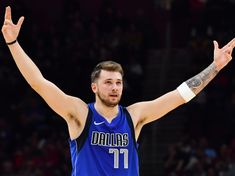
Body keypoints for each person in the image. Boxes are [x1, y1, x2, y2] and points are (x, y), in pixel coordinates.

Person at [1, 6, 235, 176]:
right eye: (108, 82)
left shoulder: (134, 116)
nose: (114, 88)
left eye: (118, 83)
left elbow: (180, 95)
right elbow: (38, 83)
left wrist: (215, 67)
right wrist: (13, 44)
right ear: (94, 87)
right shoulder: (80, 114)